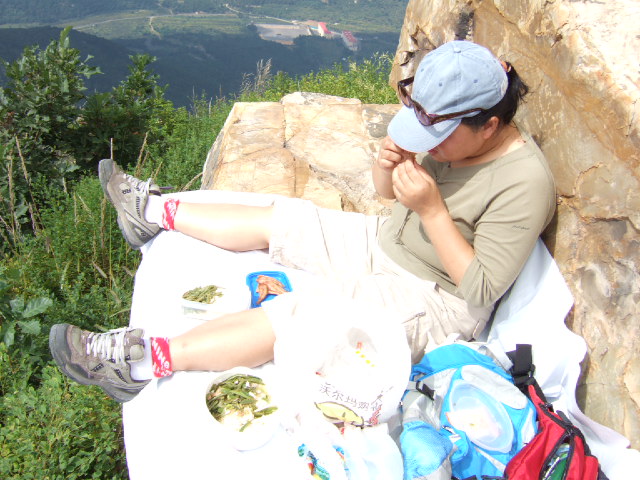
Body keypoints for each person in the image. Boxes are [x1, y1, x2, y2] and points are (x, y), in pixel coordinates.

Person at [49, 40, 556, 403]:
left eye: (439, 136)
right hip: (388, 241)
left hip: (436, 296)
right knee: (288, 220)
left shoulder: (524, 182)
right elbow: (388, 197)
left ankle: (140, 362)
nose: (430, 145)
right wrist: (387, 168)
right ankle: (151, 215)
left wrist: (432, 210)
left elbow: (481, 289)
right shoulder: (451, 134)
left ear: (489, 125)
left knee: (301, 314)